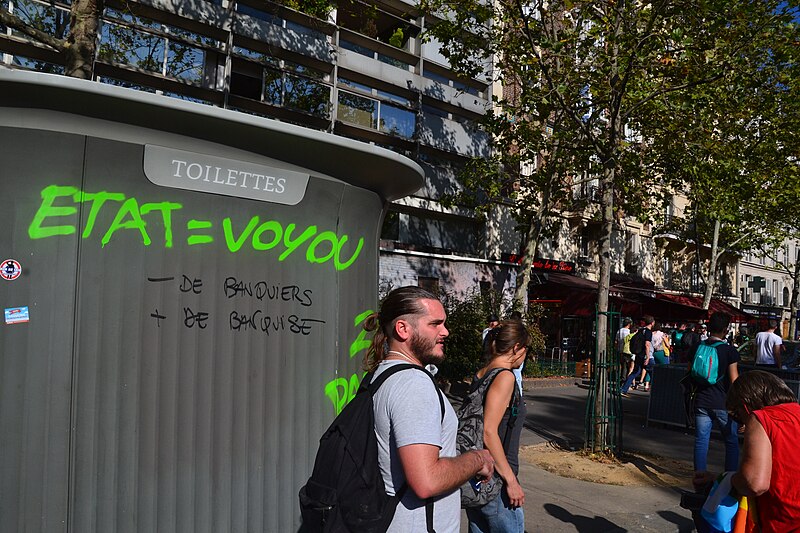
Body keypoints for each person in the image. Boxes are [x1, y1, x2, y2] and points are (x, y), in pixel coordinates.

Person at [363, 286, 495, 532]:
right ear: (403, 329)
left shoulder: (381, 375)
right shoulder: (413, 384)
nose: (445, 331)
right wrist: (478, 459)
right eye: (435, 324)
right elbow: (427, 481)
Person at [466, 321, 529, 533]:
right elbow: (489, 431)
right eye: (526, 349)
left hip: (478, 476)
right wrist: (511, 481)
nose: (525, 356)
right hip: (497, 482)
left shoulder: (481, 374)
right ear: (516, 348)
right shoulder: (504, 377)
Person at [727, 370, 800, 532]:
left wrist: (729, 480)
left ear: (745, 406)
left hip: (786, 523)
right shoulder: (796, 411)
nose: (741, 426)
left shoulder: (761, 418)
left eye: (738, 416)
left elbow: (754, 483)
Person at [689, 312, 740, 490]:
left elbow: (691, 373)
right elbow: (734, 380)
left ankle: (699, 479)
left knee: (701, 440)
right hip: (723, 403)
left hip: (701, 401)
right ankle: (729, 480)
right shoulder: (729, 351)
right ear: (726, 330)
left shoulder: (698, 346)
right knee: (732, 441)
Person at [620, 315, 654, 396]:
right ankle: (659, 391)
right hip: (644, 355)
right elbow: (647, 345)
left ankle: (623, 389)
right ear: (652, 323)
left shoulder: (640, 330)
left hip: (638, 355)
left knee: (635, 372)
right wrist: (648, 356)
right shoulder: (648, 332)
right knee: (653, 372)